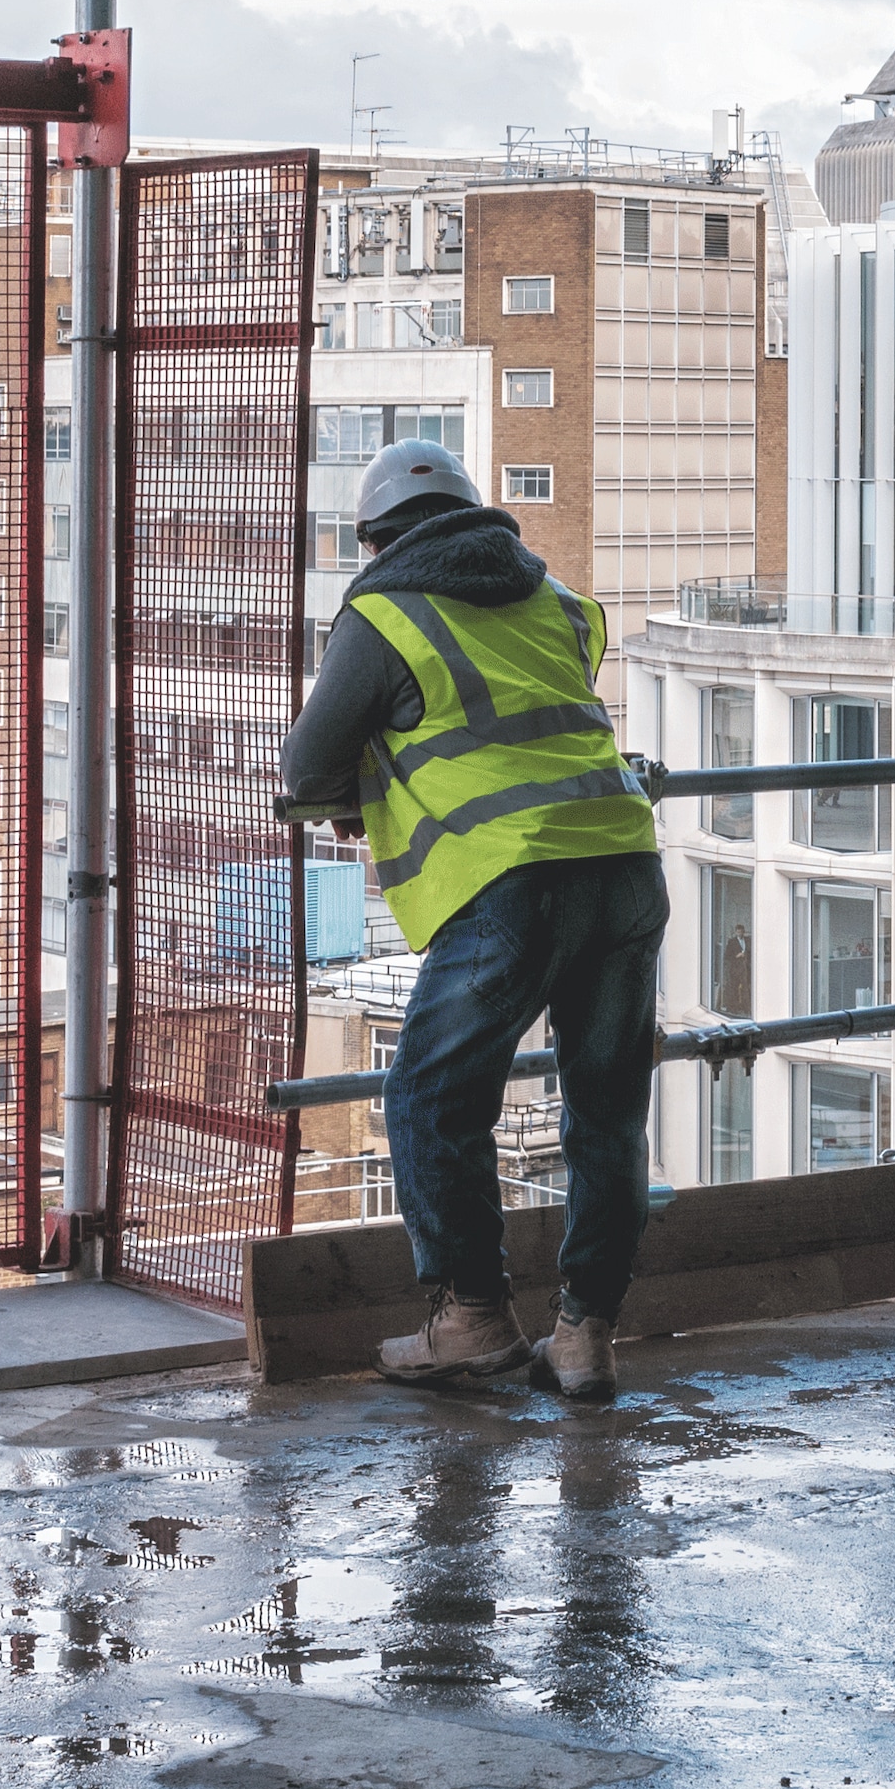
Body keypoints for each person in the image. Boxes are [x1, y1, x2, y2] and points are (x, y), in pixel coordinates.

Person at [278, 435, 664, 1402]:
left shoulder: (382, 610)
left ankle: (472, 1318)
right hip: (622, 863)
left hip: (511, 880)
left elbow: (306, 767)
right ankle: (584, 1339)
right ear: (478, 516)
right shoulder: (562, 602)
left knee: (429, 1098)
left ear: (374, 539)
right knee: (606, 1111)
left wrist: (357, 789)